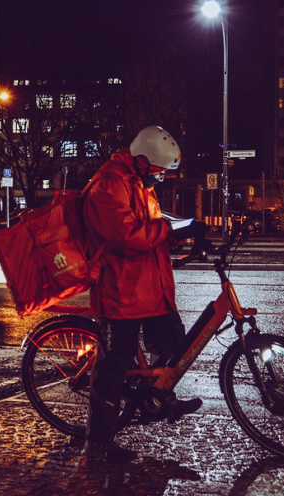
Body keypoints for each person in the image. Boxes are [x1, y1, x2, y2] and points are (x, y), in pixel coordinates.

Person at [81, 126, 202, 463]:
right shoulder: (108, 185)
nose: (162, 177)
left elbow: (152, 225)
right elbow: (128, 236)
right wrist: (169, 229)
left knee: (176, 344)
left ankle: (155, 397)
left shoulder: (137, 181)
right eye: (160, 169)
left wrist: (183, 232)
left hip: (149, 288)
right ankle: (98, 443)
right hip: (120, 291)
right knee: (113, 368)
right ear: (143, 160)